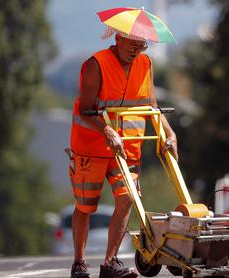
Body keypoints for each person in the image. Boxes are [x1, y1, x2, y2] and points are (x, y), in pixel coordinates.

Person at [68, 32, 178, 278]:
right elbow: (86, 108)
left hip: (127, 147)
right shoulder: (96, 64)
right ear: (118, 38)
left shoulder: (145, 63)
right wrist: (106, 130)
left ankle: (110, 263)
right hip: (91, 147)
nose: (137, 48)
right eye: (133, 43)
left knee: (128, 198)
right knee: (85, 207)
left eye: (142, 44)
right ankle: (79, 264)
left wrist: (169, 133)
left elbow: (151, 106)